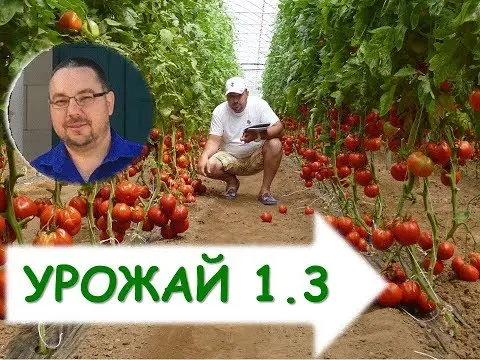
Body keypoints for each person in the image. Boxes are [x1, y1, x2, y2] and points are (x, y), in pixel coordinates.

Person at [31, 57, 143, 184]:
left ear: (109, 103)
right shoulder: (34, 173)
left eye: (85, 98)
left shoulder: (146, 162)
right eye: (61, 101)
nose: (73, 112)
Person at [197, 76, 283, 205]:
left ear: (247, 93)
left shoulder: (259, 105)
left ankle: (265, 191)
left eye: (239, 95)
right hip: (230, 159)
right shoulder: (219, 111)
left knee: (275, 144)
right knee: (209, 165)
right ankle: (231, 181)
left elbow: (280, 128)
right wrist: (204, 155)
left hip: (255, 157)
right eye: (231, 96)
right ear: (226, 97)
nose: (235, 100)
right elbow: (214, 141)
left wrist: (257, 135)